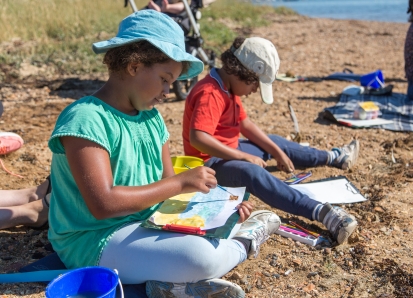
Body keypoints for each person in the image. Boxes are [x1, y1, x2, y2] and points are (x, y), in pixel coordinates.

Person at [47, 10, 280, 297]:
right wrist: (183, 182)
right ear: (133, 66)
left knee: (217, 232)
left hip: (146, 222)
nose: (168, 91)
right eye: (165, 79)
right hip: (94, 239)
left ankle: (170, 285)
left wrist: (220, 209)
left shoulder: (152, 119)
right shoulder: (86, 118)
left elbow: (168, 189)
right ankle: (244, 244)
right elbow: (103, 204)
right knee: (200, 258)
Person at [182, 36, 359, 245]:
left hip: (229, 149)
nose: (255, 90)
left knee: (272, 141)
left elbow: (245, 125)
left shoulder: (227, 87)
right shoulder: (210, 92)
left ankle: (333, 157)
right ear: (243, 73)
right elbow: (199, 138)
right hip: (210, 165)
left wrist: (276, 151)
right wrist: (244, 156)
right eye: (256, 84)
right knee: (253, 172)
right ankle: (321, 212)